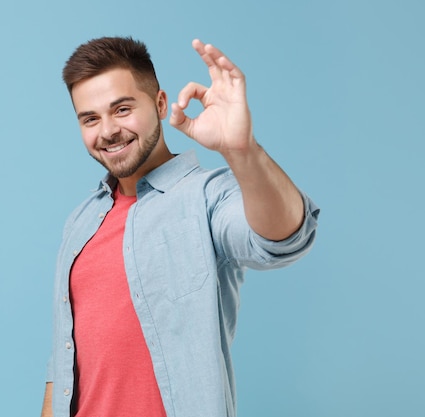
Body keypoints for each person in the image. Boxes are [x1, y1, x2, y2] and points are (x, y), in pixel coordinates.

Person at [40, 36, 320, 417]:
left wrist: (242, 150)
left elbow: (284, 239)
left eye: (121, 109)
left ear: (158, 103)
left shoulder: (206, 197)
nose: (106, 131)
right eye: (90, 118)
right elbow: (62, 362)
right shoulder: (80, 222)